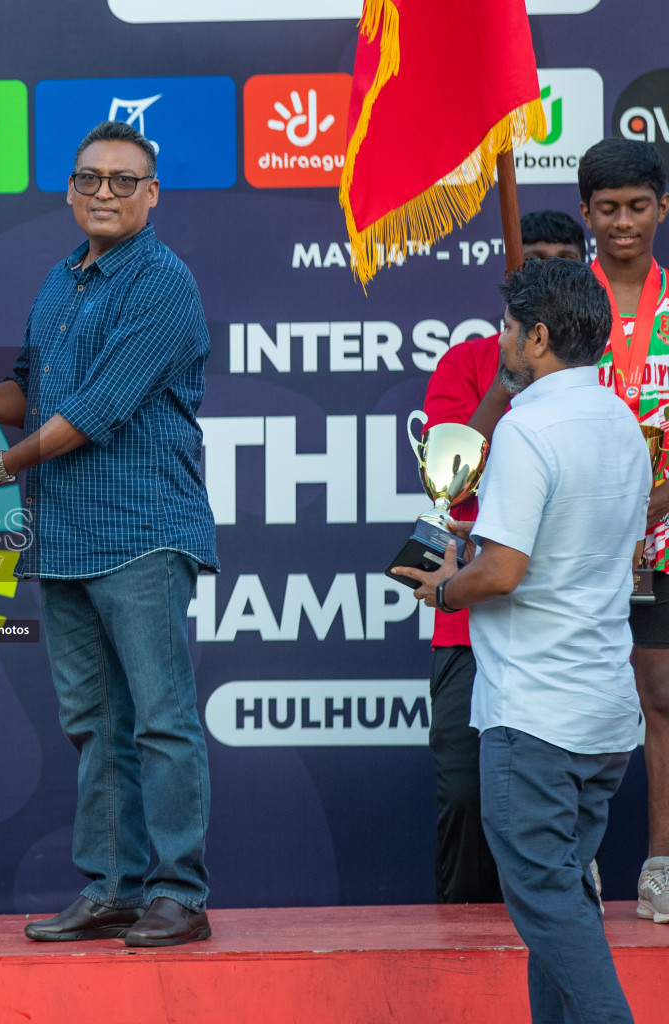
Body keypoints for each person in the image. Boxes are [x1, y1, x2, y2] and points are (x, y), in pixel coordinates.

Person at [0, 120, 216, 947]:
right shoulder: (61, 280)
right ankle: (115, 886)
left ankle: (180, 893)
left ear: (152, 195)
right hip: (66, 537)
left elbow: (94, 412)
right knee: (94, 722)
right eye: (91, 179)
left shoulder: (163, 283)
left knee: (159, 718)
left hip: (145, 529)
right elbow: (34, 392)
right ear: (70, 190)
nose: (106, 194)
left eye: (125, 181)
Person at [396, 256, 646, 1024]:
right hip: (602, 712)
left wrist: (444, 585)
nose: (499, 339)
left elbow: (503, 571)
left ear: (536, 337)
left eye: (507, 327)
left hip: (536, 714)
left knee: (549, 906)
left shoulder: (528, 429)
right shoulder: (622, 423)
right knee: (561, 903)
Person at [419, 210, 585, 905]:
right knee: (463, 791)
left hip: (565, 616)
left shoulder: (600, 381)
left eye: (562, 263)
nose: (546, 274)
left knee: (554, 804)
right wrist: (507, 385)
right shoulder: (465, 364)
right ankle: (460, 944)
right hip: (473, 616)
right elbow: (447, 484)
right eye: (532, 262)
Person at [573, 139, 669, 925]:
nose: (624, 222)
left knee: (662, 696)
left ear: (662, 209)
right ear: (587, 216)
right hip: (577, 543)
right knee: (577, 699)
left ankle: (660, 863)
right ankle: (579, 865)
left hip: (664, 537)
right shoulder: (570, 309)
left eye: (639, 206)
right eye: (609, 209)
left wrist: (648, 510)